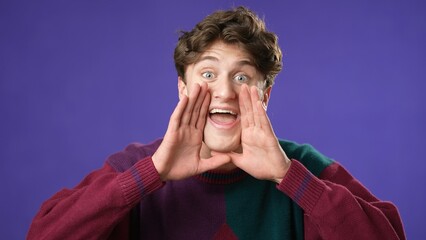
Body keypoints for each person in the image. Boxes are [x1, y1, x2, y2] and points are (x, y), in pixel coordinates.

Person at [27, 6, 405, 240]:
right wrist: (151, 174)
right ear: (182, 88)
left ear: (265, 95)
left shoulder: (303, 167)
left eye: (242, 78)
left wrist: (290, 177)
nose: (223, 92)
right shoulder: (137, 167)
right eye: (207, 74)